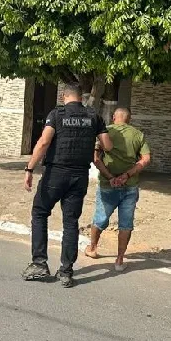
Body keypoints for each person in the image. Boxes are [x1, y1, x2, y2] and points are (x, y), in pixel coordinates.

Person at [21, 83, 112, 288]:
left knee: (40, 213)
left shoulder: (57, 114)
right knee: (70, 222)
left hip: (56, 173)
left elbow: (44, 142)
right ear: (81, 97)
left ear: (64, 96)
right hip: (79, 176)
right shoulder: (93, 116)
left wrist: (29, 169)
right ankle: (66, 272)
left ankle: (39, 263)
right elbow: (108, 145)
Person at [85, 107, 151, 272]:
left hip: (108, 185)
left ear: (114, 117)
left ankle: (92, 248)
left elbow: (95, 158)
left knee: (100, 218)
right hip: (130, 185)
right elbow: (146, 159)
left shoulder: (105, 132)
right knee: (125, 224)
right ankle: (120, 260)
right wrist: (127, 176)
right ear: (129, 119)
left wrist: (110, 177)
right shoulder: (138, 135)